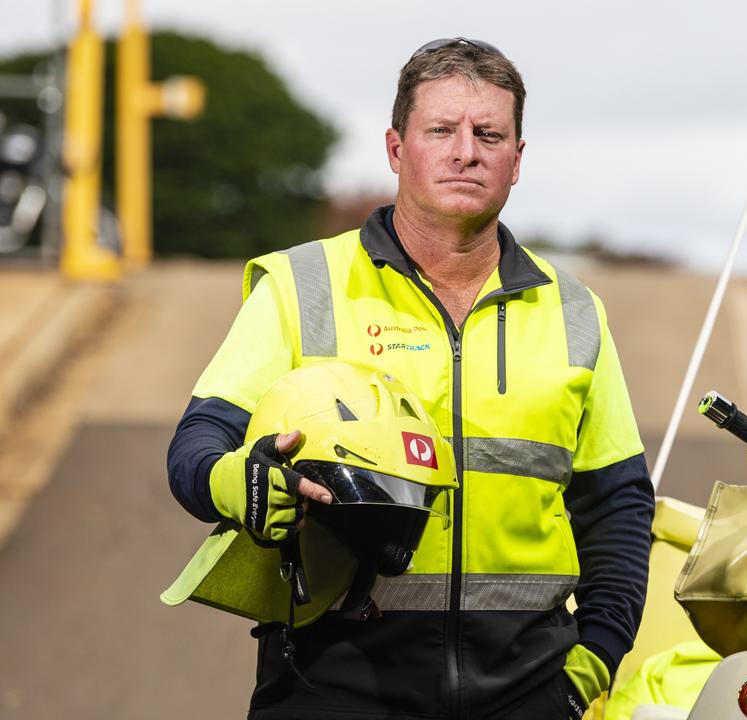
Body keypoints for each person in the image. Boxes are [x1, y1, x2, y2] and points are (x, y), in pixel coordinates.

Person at [167, 37, 655, 720]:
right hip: (331, 683)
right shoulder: (302, 286)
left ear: (517, 159)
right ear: (397, 150)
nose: (466, 151)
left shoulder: (574, 310)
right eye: (441, 131)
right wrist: (238, 481)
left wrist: (592, 663)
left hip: (529, 692)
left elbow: (620, 506)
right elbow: (197, 445)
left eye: (489, 133)